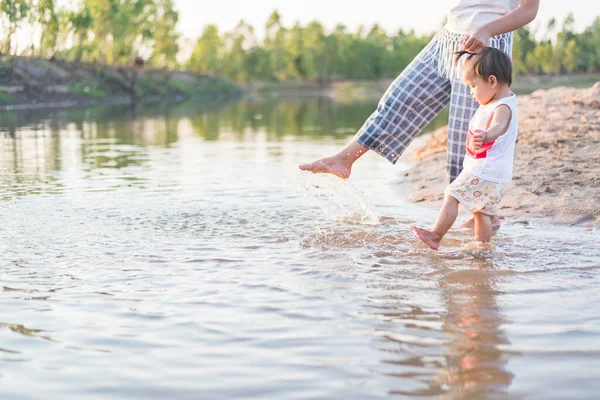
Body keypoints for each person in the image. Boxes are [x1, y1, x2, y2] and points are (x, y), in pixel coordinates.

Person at [299, 0, 539, 230]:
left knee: (465, 140)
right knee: (399, 99)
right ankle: (345, 158)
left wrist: (487, 29)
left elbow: (529, 8)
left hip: (487, 45)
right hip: (447, 38)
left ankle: (486, 215)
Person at [410, 47, 517, 250]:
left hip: (484, 170)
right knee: (481, 212)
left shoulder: (502, 107)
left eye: (473, 85)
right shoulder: (499, 100)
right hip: (494, 171)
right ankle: (482, 248)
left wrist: (487, 135)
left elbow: (499, 126)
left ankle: (436, 235)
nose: (471, 92)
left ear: (492, 81)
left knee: (452, 194)